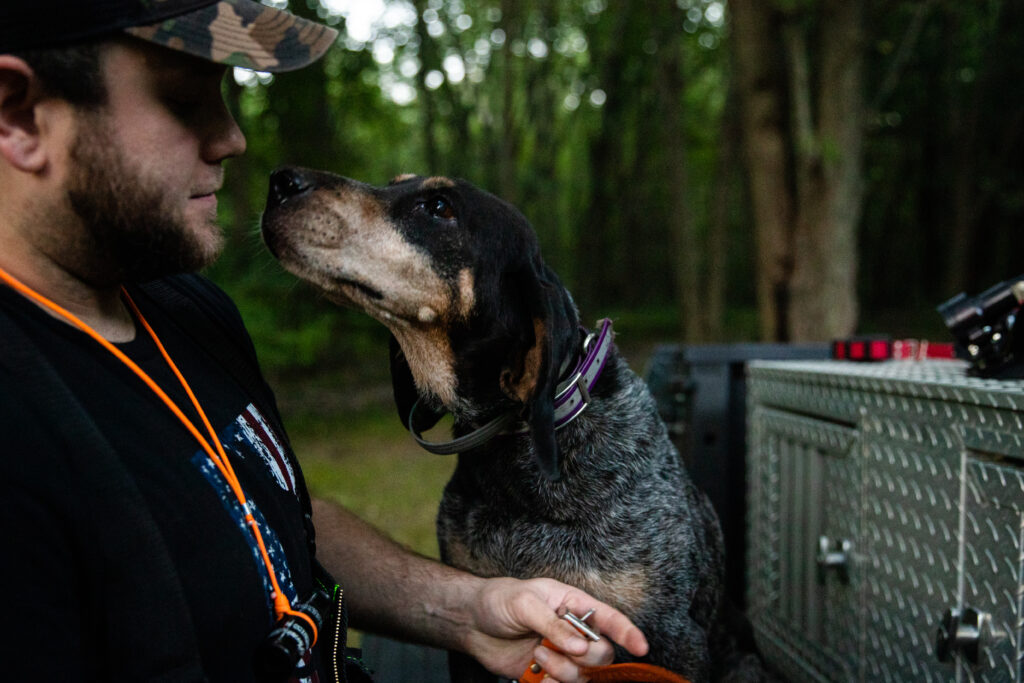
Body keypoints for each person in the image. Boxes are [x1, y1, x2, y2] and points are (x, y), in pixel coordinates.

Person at [0, 1, 649, 681]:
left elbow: (270, 518)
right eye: (184, 97)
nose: (232, 137)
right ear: (18, 114)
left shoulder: (189, 311)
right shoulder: (19, 435)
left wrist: (470, 607)